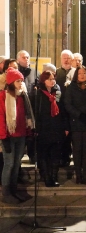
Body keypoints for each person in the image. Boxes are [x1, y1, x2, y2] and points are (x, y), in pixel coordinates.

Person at [0, 68, 34, 204]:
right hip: (8, 136)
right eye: (18, 81)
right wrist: (3, 137)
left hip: (21, 135)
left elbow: (26, 115)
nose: (21, 83)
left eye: (21, 80)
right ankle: (6, 192)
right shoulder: (3, 96)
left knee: (16, 164)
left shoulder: (22, 95)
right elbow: (1, 117)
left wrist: (29, 131)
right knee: (9, 164)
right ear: (11, 82)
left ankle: (13, 190)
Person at [64, 66, 86, 184]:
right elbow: (68, 105)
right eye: (80, 73)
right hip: (76, 123)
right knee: (77, 151)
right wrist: (78, 114)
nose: (82, 75)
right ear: (76, 75)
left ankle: (85, 175)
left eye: (84, 73)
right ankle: (78, 175)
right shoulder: (71, 88)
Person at [34, 70, 66, 187]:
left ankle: (54, 177)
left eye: (53, 79)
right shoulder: (38, 94)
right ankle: (47, 177)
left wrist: (65, 126)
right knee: (44, 154)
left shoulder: (57, 92)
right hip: (43, 129)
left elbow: (63, 110)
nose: (52, 81)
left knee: (55, 154)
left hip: (56, 127)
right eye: (50, 79)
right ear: (44, 80)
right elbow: (36, 112)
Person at [56, 49, 75, 167]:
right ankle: (63, 156)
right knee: (63, 133)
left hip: (74, 107)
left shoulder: (77, 72)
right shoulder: (57, 72)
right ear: (61, 59)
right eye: (64, 58)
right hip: (61, 107)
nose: (66, 60)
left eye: (68, 58)